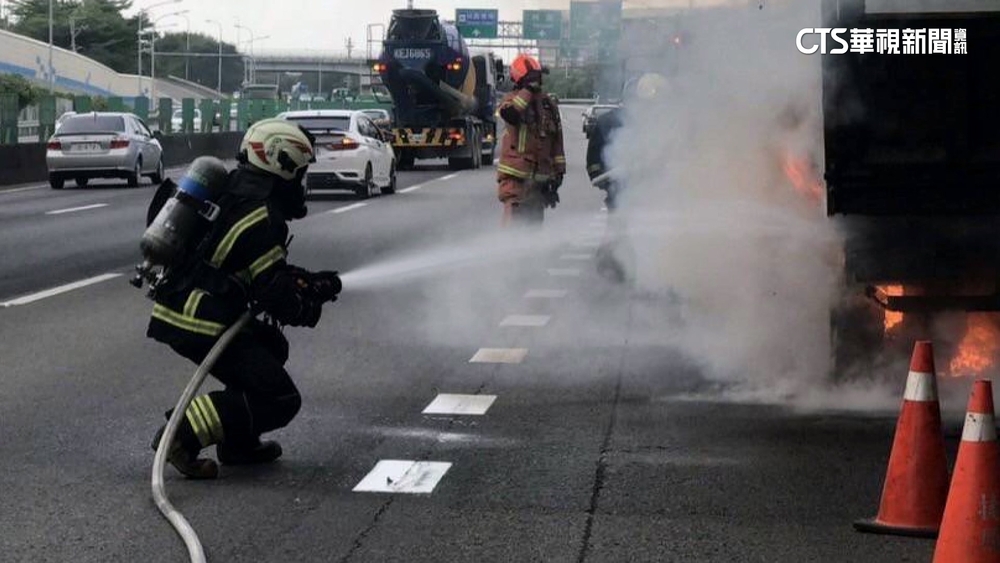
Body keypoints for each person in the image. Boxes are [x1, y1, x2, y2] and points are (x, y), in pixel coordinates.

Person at [148, 118, 342, 479]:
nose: (300, 183)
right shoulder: (261, 214)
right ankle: (180, 435)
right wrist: (308, 301)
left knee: (270, 347)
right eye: (298, 173)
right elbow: (275, 294)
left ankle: (238, 444)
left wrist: (306, 280)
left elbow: (252, 265)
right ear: (280, 164)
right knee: (280, 399)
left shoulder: (236, 191)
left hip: (184, 305)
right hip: (200, 317)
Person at [496, 54, 566, 226]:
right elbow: (511, 114)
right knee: (513, 224)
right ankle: (507, 252)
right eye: (534, 78)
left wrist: (558, 175)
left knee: (534, 227)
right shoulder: (512, 99)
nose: (538, 82)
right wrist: (528, 90)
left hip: (539, 181)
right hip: (515, 179)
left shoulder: (548, 105)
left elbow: (557, 142)